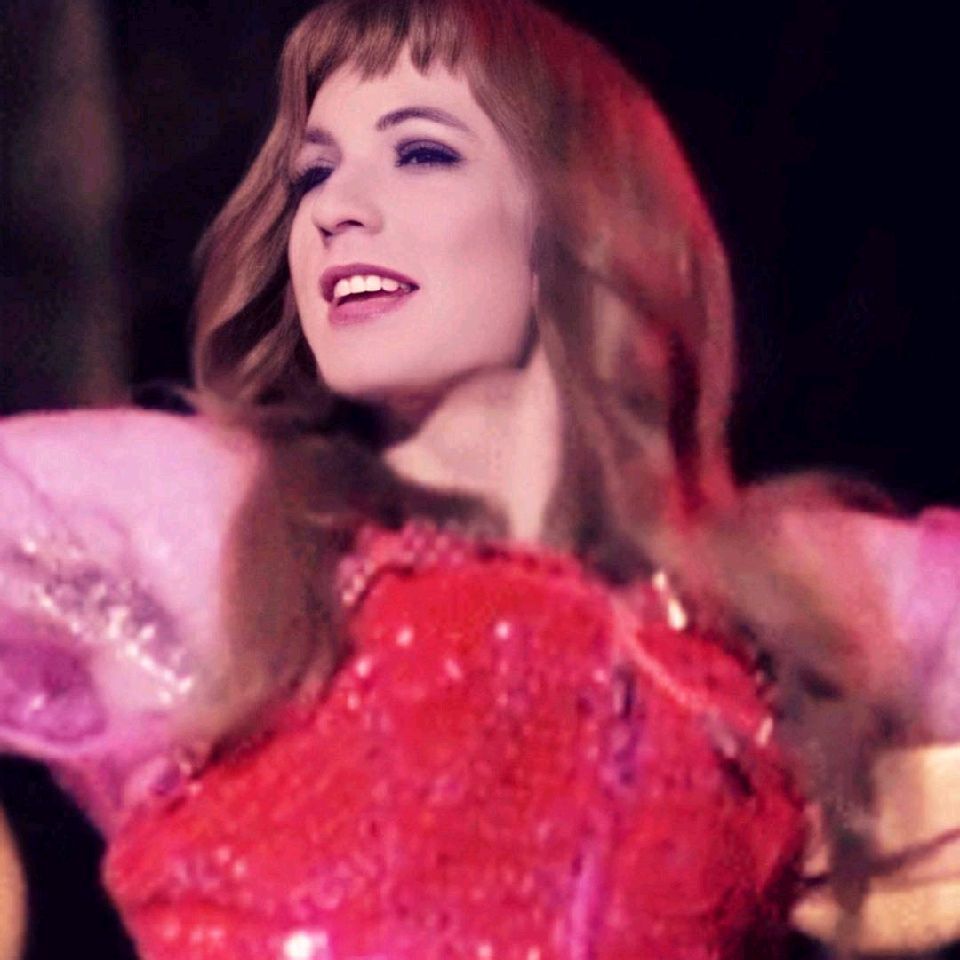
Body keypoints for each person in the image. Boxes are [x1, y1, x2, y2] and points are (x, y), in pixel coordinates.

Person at [1, 0, 959, 956]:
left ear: (575, 217)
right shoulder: (217, 526)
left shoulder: (780, 596)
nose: (335, 208)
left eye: (420, 153)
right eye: (314, 174)